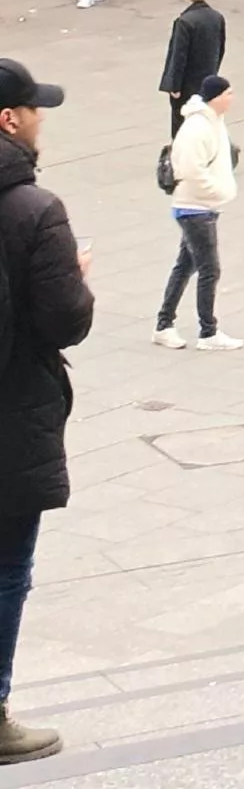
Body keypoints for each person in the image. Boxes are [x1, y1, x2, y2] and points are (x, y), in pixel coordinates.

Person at [0, 58, 94, 764]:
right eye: (35, 109)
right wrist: (78, 279)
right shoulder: (35, 209)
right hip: (10, 421)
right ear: (10, 119)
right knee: (5, 567)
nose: (40, 119)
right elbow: (64, 321)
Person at [152, 76, 243, 353]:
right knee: (209, 269)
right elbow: (191, 170)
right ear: (215, 97)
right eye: (228, 92)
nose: (232, 97)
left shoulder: (213, 120)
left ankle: (164, 325)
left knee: (185, 266)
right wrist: (216, 191)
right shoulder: (197, 127)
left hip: (202, 206)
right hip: (196, 208)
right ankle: (208, 331)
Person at [158, 0, 227, 139]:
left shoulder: (185, 22)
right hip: (207, 75)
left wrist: (174, 85)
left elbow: (178, 55)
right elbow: (221, 47)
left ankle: (180, 151)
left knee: (181, 120)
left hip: (188, 82)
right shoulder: (217, 17)